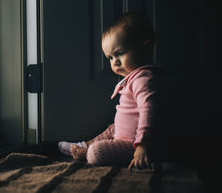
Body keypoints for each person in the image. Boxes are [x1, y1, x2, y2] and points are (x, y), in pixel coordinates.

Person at [58, 13, 160, 171]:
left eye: (120, 53)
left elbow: (149, 112)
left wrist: (142, 145)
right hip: (123, 133)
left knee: (96, 153)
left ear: (146, 47)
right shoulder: (134, 77)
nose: (115, 62)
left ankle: (87, 151)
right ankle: (83, 145)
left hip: (134, 143)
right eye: (110, 58)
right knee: (111, 129)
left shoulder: (143, 79)